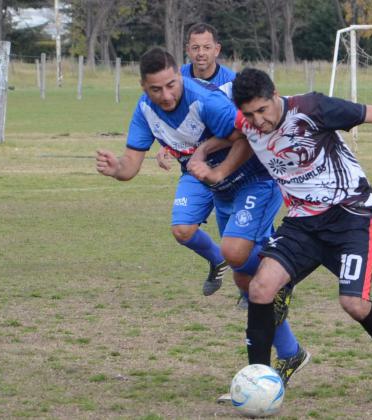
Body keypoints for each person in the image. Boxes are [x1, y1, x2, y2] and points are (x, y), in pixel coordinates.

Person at [189, 68, 372, 401]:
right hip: (303, 221)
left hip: (350, 214)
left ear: (275, 95)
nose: (258, 120)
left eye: (262, 110)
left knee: (353, 303)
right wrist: (209, 159)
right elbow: (243, 138)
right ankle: (257, 382)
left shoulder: (312, 108)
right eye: (249, 114)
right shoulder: (249, 125)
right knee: (260, 288)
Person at [95, 49, 310, 392]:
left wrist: (216, 166)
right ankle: (290, 350)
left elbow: (247, 137)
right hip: (212, 185)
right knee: (245, 281)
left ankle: (280, 265)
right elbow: (131, 166)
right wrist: (116, 169)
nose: (166, 96)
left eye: (171, 86)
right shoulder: (144, 110)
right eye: (156, 90)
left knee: (239, 256)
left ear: (179, 77)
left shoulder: (205, 100)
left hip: (254, 180)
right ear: (143, 87)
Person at [155, 23, 245, 305]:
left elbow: (246, 129)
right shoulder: (175, 80)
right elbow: (165, 117)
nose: (201, 53)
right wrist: (164, 147)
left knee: (239, 238)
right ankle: (217, 260)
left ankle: (250, 292)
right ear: (187, 50)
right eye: (195, 48)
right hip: (194, 171)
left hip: (233, 169)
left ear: (217, 49)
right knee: (182, 230)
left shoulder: (234, 83)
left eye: (207, 47)